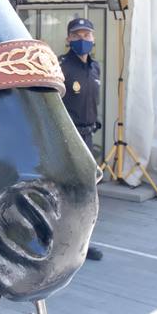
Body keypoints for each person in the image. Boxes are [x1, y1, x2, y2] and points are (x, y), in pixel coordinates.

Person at [58, 16, 103, 261]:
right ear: (68, 39)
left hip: (87, 137)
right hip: (67, 138)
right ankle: (63, 243)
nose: (82, 39)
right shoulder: (60, 65)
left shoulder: (95, 68)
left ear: (93, 38)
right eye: (76, 35)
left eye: (86, 35)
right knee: (66, 192)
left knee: (87, 192)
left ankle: (83, 243)